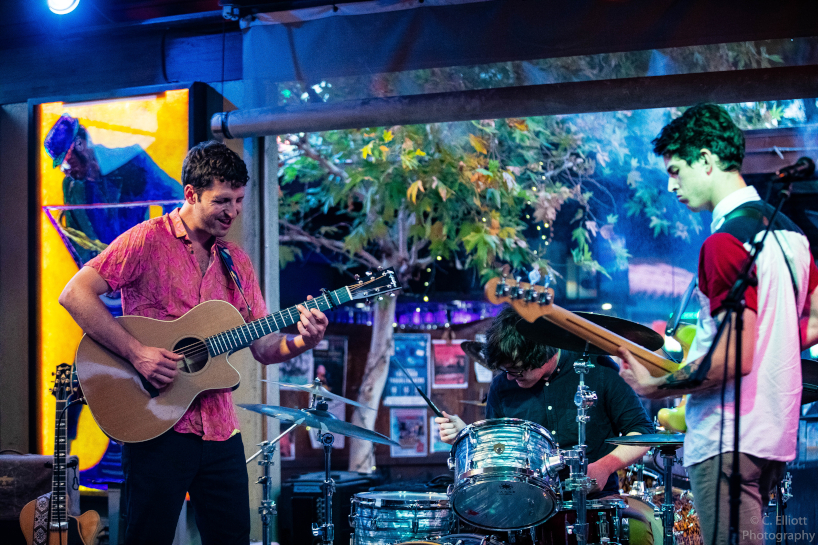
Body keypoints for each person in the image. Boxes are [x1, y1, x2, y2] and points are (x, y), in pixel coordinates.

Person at [59, 140, 329, 545]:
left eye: (238, 200)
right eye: (222, 201)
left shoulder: (236, 262)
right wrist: (138, 353)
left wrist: (305, 340)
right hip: (154, 422)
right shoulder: (146, 240)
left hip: (220, 431)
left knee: (234, 538)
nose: (232, 211)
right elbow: (74, 294)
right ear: (191, 194)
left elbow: (265, 347)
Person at [618, 103, 818, 545]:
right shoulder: (791, 235)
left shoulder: (723, 243)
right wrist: (771, 342)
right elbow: (816, 318)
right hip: (774, 433)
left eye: (676, 170)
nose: (671, 185)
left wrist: (656, 386)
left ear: (706, 159)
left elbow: (732, 358)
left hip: (727, 437)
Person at [436, 306, 654, 497]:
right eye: (505, 370)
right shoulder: (501, 387)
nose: (509, 378)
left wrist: (605, 467)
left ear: (542, 355)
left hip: (595, 503)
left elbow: (643, 431)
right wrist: (467, 438)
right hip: (528, 506)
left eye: (516, 370)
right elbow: (499, 454)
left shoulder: (596, 368)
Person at [45, 114, 184, 255]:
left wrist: (161, 246)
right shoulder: (70, 186)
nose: (64, 171)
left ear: (80, 144)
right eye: (60, 167)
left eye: (65, 162)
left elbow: (176, 197)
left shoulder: (133, 162)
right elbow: (78, 245)